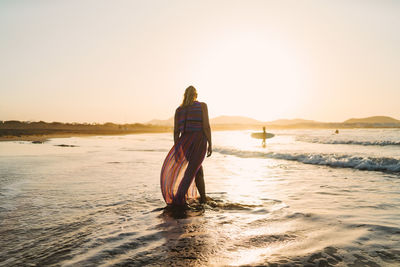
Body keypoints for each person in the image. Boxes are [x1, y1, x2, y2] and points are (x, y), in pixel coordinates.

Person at [160, 86, 212, 206]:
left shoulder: (179, 110)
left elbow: (175, 131)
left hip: (185, 142)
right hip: (199, 141)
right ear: (196, 95)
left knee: (197, 169)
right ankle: (179, 197)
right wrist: (210, 143)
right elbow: (206, 127)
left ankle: (203, 197)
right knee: (192, 170)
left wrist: (178, 147)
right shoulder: (202, 106)